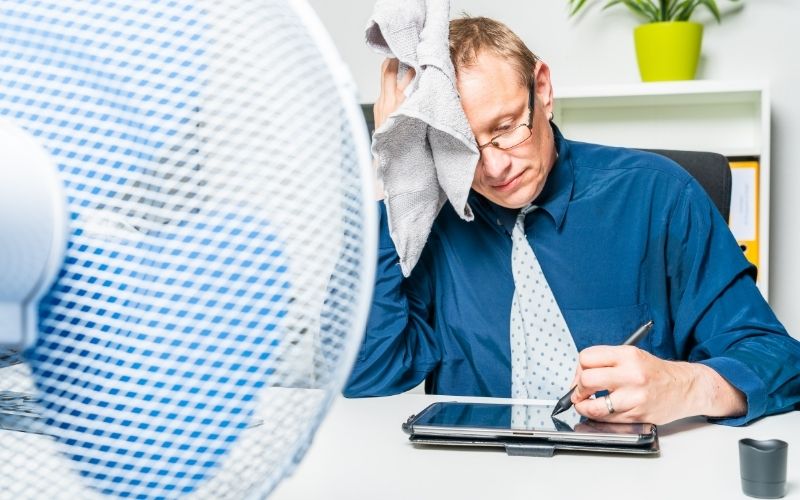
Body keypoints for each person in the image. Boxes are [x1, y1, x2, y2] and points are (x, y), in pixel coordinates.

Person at [344, 16, 800, 426]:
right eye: (461, 149)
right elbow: (367, 376)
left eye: (506, 128)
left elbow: (780, 360)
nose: (496, 169)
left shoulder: (660, 195)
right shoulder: (429, 221)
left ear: (541, 89)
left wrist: (685, 386)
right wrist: (391, 178)